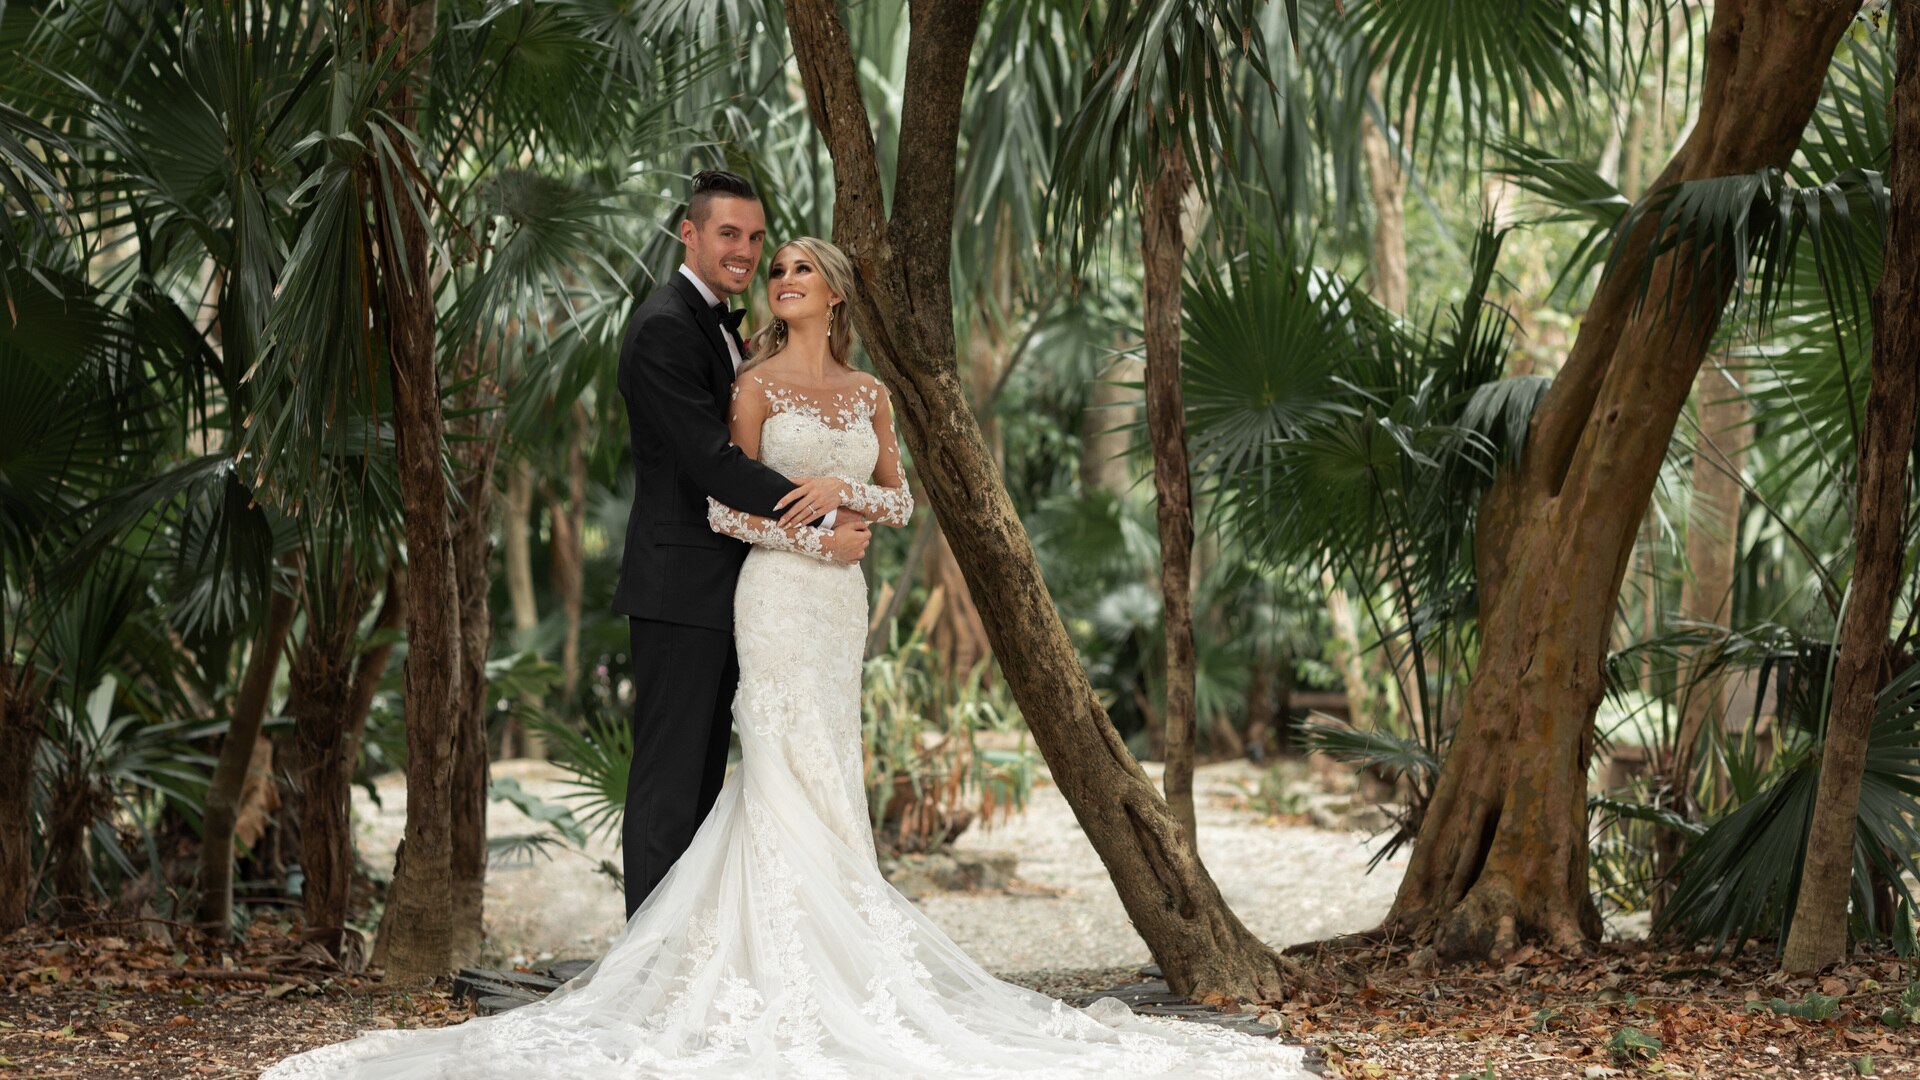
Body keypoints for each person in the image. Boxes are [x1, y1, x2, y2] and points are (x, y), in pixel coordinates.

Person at [260, 235, 1313, 1079]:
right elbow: (724, 502)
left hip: (840, 603)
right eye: (776, 269)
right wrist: (809, 532)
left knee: (829, 769)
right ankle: (761, 966)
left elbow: (900, 497)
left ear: (837, 292)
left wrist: (848, 505)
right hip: (774, 595)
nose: (783, 278)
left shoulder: (870, 396)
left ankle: (848, 958)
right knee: (778, 764)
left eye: (800, 266)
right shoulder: (754, 384)